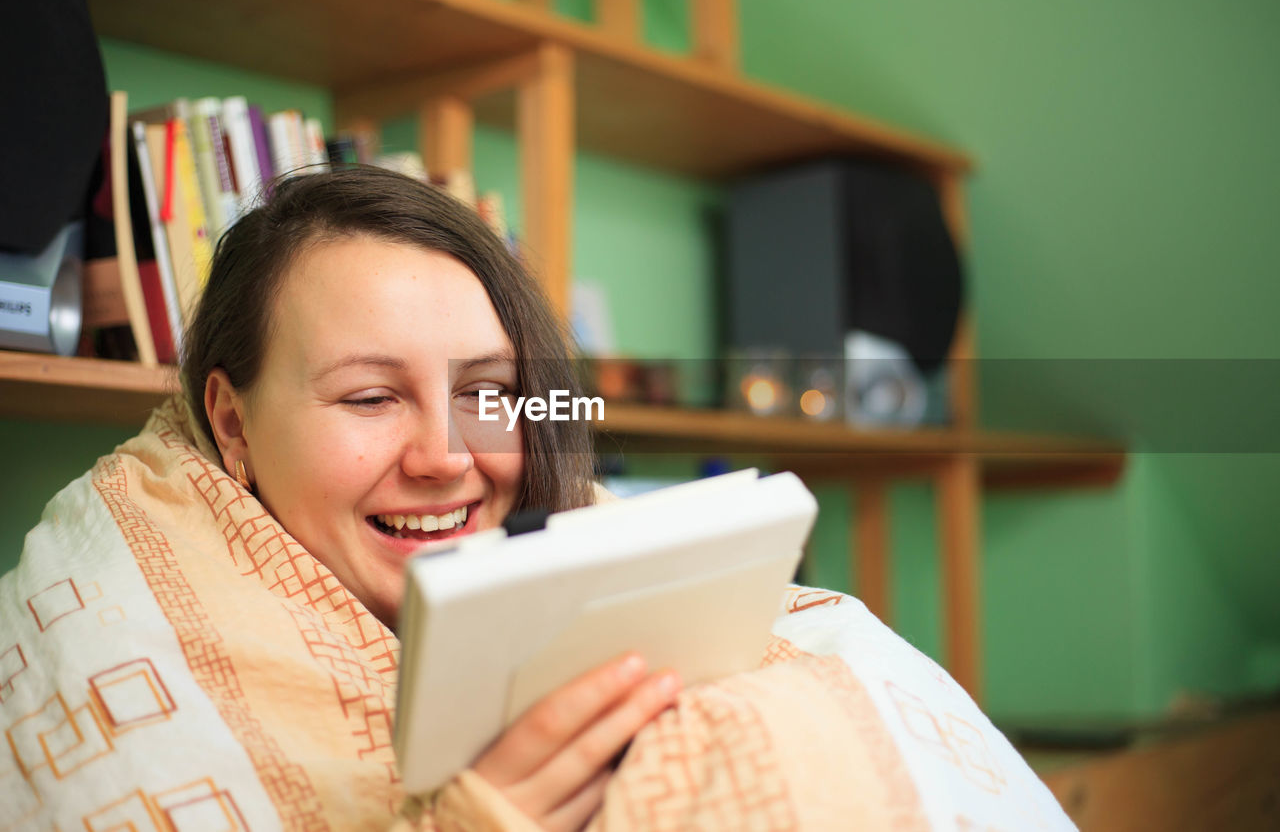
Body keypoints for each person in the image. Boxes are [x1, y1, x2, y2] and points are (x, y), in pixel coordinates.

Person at [0, 166, 1076, 831]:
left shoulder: (589, 537)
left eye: (488, 393)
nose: (445, 455)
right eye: (371, 395)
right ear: (231, 424)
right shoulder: (103, 628)